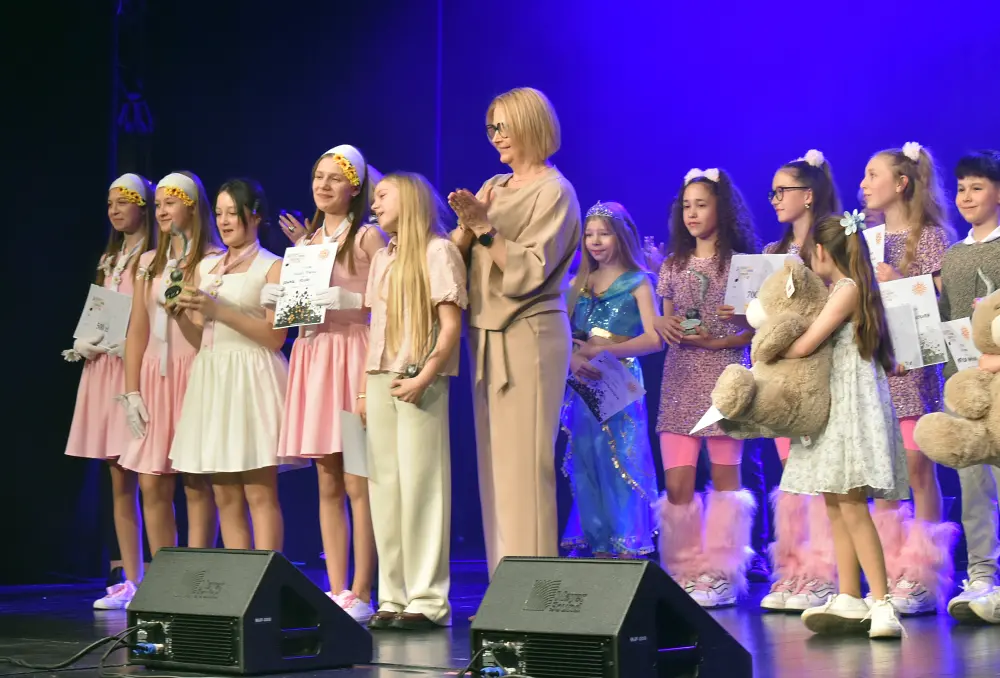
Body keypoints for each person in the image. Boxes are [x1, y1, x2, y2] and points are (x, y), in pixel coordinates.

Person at [447, 87, 581, 584]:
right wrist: (465, 228)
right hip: (485, 335)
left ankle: (534, 588)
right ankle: (505, 582)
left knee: (526, 466)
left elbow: (532, 269)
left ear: (530, 125)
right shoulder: (493, 185)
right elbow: (459, 257)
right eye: (491, 127)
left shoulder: (555, 191)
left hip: (530, 333)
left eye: (503, 125)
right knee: (496, 468)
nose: (496, 136)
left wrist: (484, 228)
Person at [262, 145, 386, 622]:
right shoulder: (310, 242)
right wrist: (279, 298)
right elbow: (300, 310)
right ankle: (337, 588)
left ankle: (362, 588)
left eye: (335, 177)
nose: (324, 185)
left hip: (351, 357)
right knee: (327, 479)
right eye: (318, 176)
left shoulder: (368, 236)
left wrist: (350, 299)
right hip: (315, 357)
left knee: (358, 480)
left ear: (355, 186)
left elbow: (390, 298)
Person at [780, 211, 907, 639]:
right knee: (834, 501)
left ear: (821, 251)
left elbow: (807, 344)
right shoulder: (844, 288)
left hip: (851, 405)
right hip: (836, 404)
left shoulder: (848, 289)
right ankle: (849, 594)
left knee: (852, 503)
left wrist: (774, 349)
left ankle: (882, 602)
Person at [361, 172, 467, 630]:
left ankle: (427, 598)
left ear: (409, 198)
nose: (375, 204)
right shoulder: (383, 257)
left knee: (422, 486)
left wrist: (424, 376)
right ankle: (393, 595)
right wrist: (364, 388)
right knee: (384, 488)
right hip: (380, 379)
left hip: (418, 376)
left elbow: (450, 326)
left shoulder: (437, 250)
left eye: (383, 195)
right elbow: (374, 328)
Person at [652, 167, 759, 608]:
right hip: (679, 380)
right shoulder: (672, 265)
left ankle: (722, 572)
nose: (692, 213)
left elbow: (755, 329)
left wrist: (721, 339)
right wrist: (662, 323)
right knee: (678, 485)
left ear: (722, 209)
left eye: (702, 205)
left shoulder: (741, 264)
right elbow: (665, 319)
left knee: (724, 481)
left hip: (725, 379)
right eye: (687, 206)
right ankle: (683, 569)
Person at [861, 142, 959, 615]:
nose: (863, 185)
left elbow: (942, 307)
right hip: (874, 368)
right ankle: (888, 573)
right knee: (883, 477)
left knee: (917, 470)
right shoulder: (866, 239)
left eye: (873, 175)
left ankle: (922, 574)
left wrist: (900, 279)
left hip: (914, 368)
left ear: (901, 183)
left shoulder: (931, 237)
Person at [169, 179, 292, 551]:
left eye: (232, 213)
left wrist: (218, 310)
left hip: (252, 378)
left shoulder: (273, 266)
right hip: (213, 377)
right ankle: (239, 579)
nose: (223, 221)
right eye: (219, 213)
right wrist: (179, 315)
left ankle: (268, 578)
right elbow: (200, 339)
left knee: (259, 491)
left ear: (254, 215)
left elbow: (275, 337)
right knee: (225, 494)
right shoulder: (207, 266)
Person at [118, 172, 222, 599]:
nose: (161, 211)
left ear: (192, 207)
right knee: (151, 481)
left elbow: (208, 334)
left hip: (194, 374)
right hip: (154, 378)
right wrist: (132, 390)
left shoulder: (211, 259)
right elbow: (137, 331)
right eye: (157, 204)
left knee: (196, 480)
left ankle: (197, 578)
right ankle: (165, 581)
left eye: (170, 203)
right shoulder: (148, 263)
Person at [64, 173, 154, 609]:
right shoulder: (111, 258)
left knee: (151, 478)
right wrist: (86, 339)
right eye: (110, 203)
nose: (114, 210)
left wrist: (131, 344)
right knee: (118, 476)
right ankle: (131, 579)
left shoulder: (151, 257)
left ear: (142, 206)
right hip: (106, 368)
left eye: (123, 202)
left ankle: (162, 576)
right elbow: (102, 309)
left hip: (135, 369)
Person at [760, 149, 843, 612]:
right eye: (772, 192)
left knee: (820, 473)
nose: (775, 199)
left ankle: (824, 573)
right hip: (781, 375)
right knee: (791, 472)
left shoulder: (830, 244)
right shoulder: (772, 254)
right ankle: (793, 570)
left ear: (808, 195)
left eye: (782, 191)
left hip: (820, 369)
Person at [562, 201, 661, 558]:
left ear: (621, 235)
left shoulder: (639, 281)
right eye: (589, 234)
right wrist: (574, 358)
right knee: (588, 457)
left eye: (603, 233)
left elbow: (654, 339)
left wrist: (606, 351)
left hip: (620, 378)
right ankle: (598, 541)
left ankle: (626, 541)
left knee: (623, 456)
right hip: (585, 382)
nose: (595, 241)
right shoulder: (578, 284)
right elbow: (563, 335)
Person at [939, 150, 1000, 623]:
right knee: (972, 482)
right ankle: (981, 574)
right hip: (963, 383)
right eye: (961, 188)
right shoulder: (953, 256)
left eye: (977, 187)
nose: (966, 196)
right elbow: (945, 320)